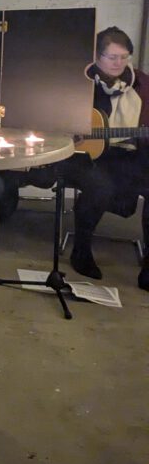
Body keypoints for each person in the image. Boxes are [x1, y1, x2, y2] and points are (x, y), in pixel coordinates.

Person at [60, 27, 149, 290]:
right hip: (86, 155)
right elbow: (56, 116)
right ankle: (81, 250)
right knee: (100, 186)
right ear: (97, 56)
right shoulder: (79, 82)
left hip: (130, 152)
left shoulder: (143, 84)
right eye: (112, 57)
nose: (118, 63)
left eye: (124, 57)